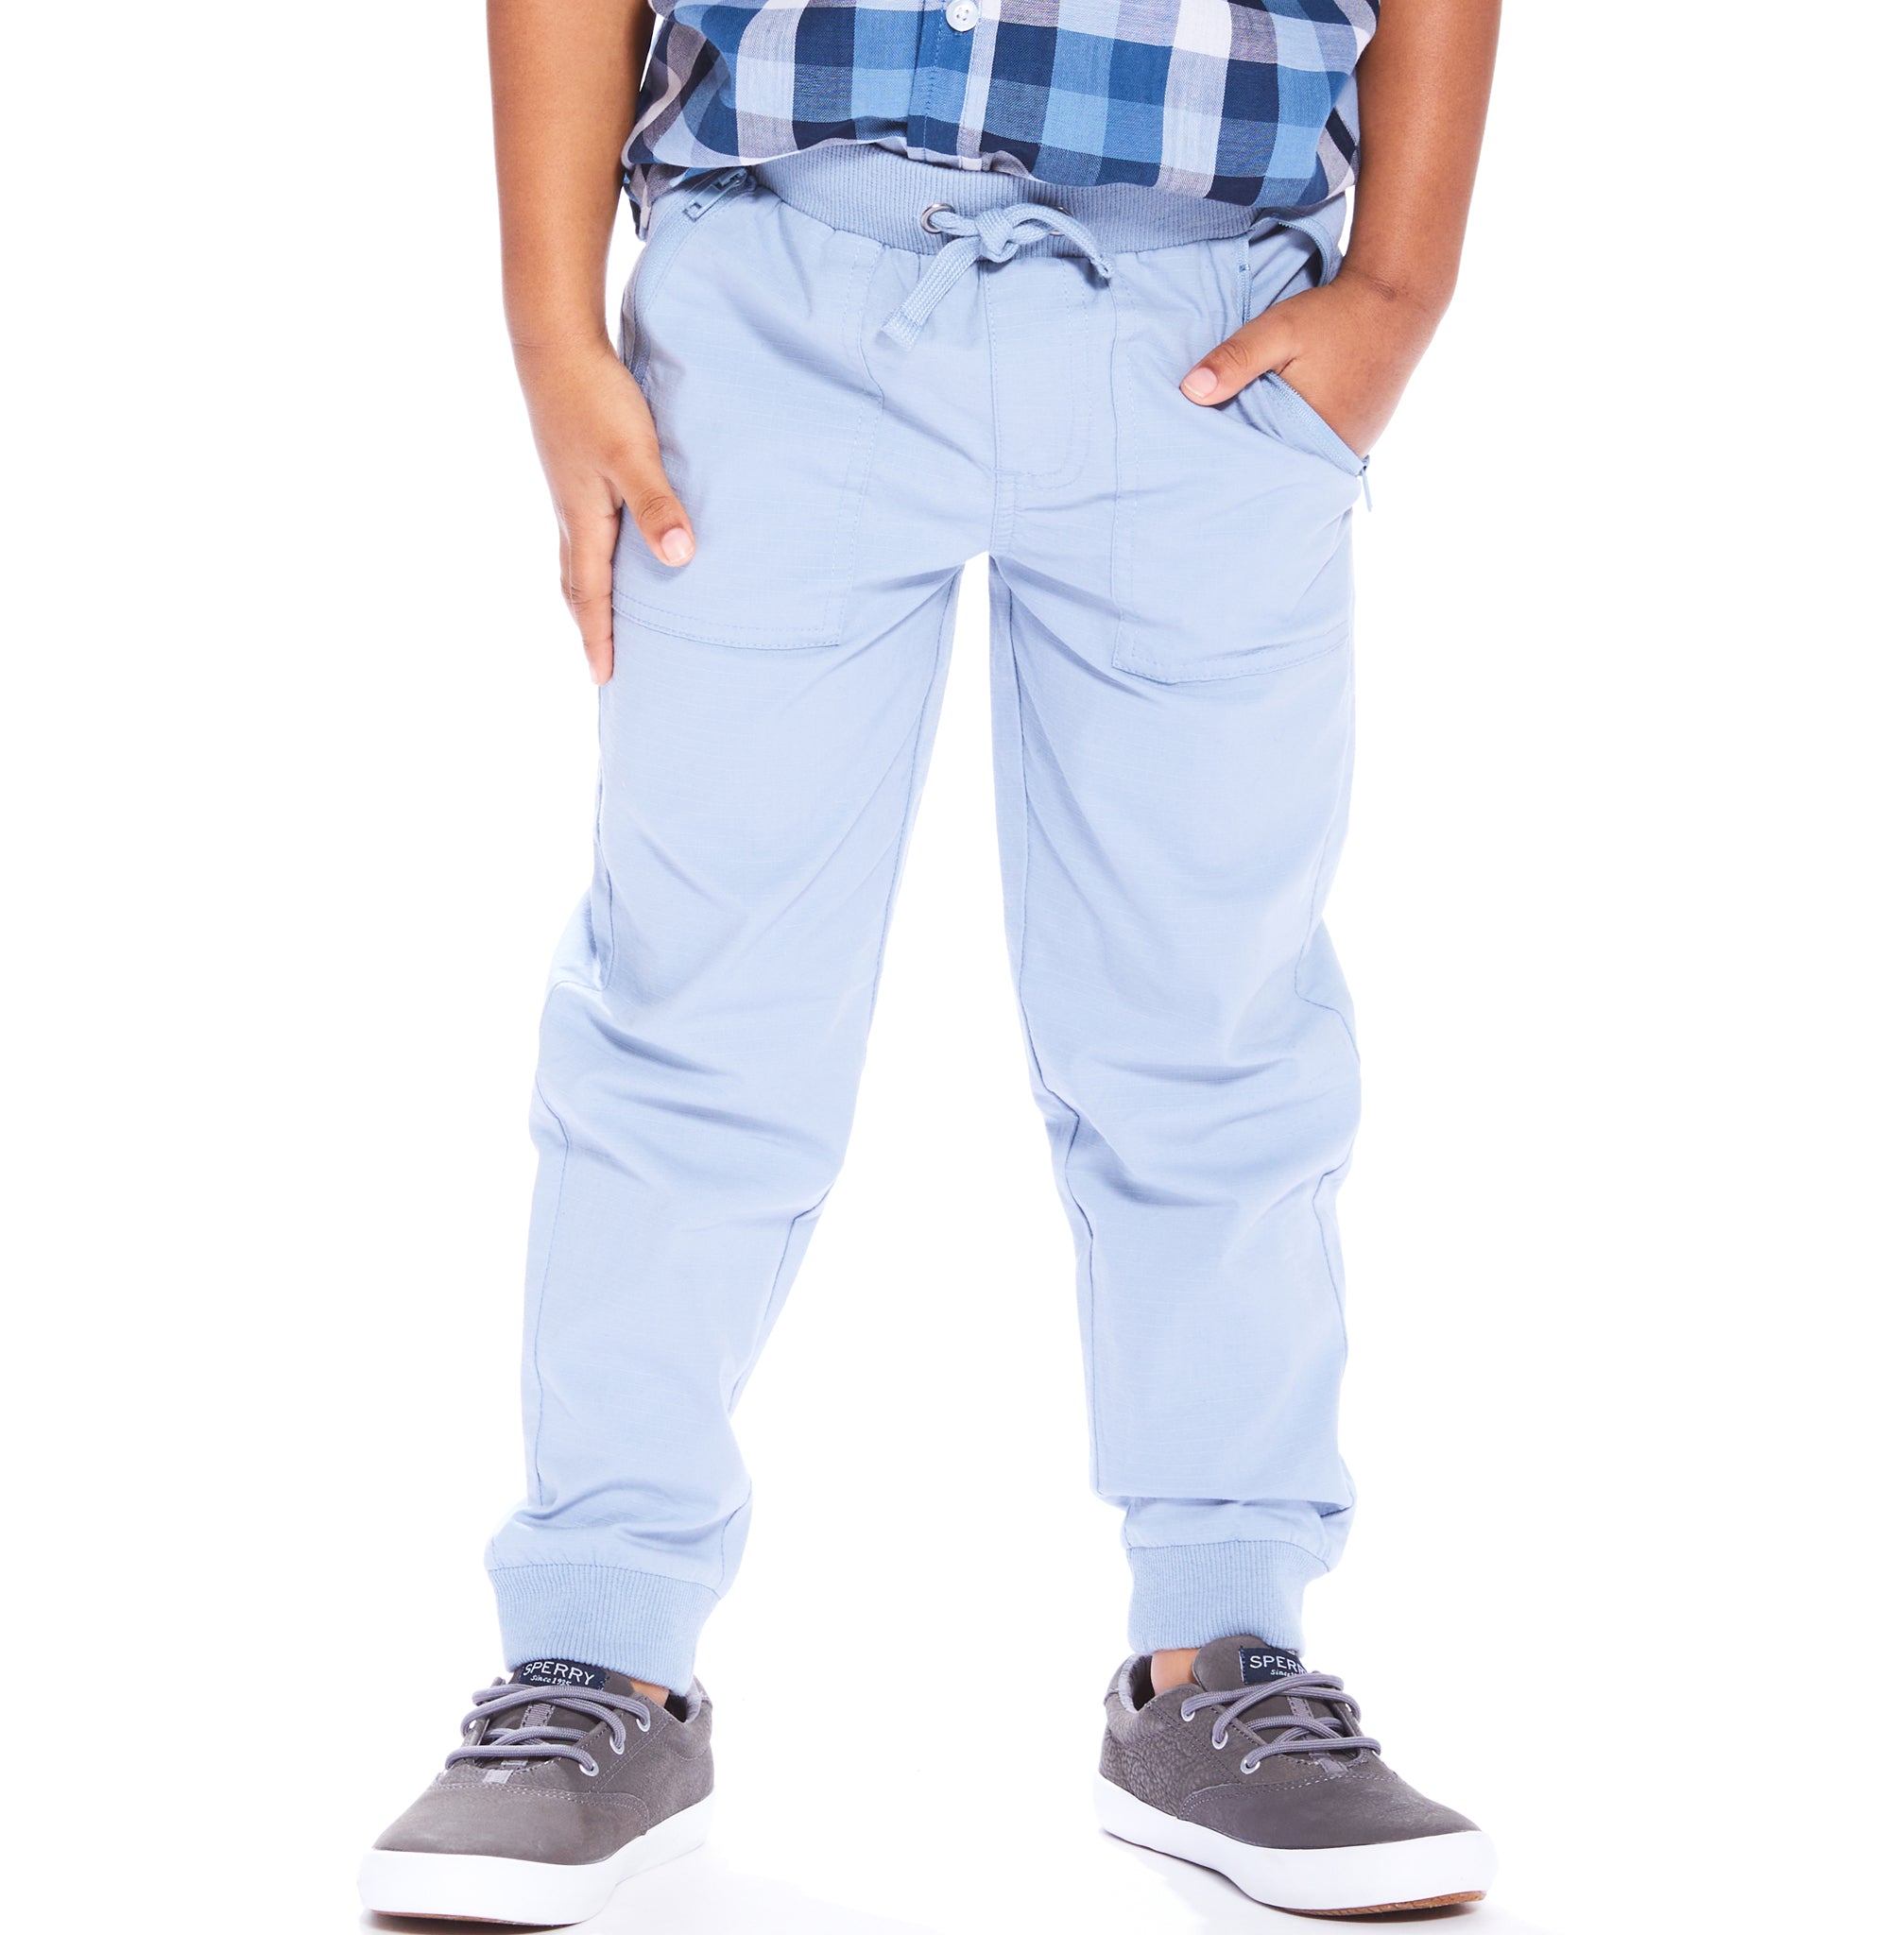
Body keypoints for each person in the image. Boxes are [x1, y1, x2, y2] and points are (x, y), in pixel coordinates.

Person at [358, 0, 1501, 1921]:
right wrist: (555, 325)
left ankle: (1224, 1650)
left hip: (1205, 320)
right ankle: (596, 1652)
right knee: (694, 1010)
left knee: (1211, 1024)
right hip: (779, 298)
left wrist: (1399, 282)